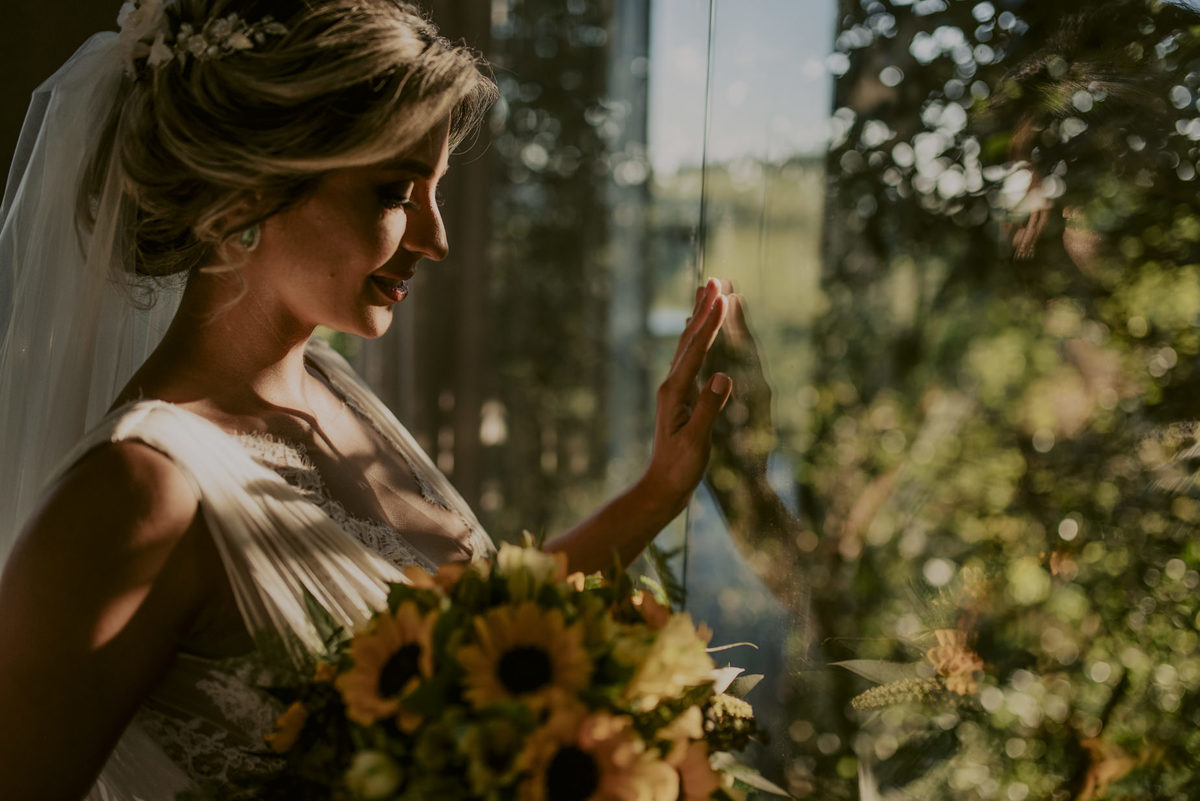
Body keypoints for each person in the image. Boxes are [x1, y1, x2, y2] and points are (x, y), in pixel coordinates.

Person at [0, 1, 735, 798]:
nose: (436, 238)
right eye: (394, 191)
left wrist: (659, 488)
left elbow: (460, 644)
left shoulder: (332, 388)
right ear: (247, 188)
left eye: (436, 190)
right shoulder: (133, 498)